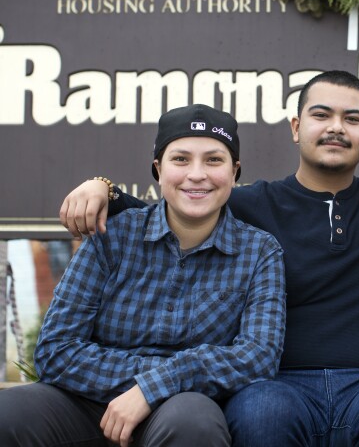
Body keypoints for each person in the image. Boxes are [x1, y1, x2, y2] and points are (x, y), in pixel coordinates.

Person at [59, 71, 359, 446]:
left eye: (352, 119)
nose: (336, 127)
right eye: (321, 115)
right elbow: (175, 206)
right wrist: (100, 186)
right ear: (296, 127)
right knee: (260, 412)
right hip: (279, 382)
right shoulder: (249, 204)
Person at [0, 104, 286, 447]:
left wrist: (157, 387)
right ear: (158, 169)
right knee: (10, 412)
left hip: (184, 406)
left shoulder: (259, 252)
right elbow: (55, 351)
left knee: (193, 420)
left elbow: (257, 357)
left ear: (234, 171)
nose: (197, 174)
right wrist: (142, 385)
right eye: (180, 159)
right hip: (88, 401)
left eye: (214, 160)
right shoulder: (112, 236)